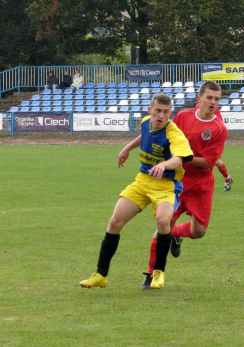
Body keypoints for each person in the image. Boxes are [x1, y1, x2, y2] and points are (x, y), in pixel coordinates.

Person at [79, 93, 193, 290]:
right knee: (115, 222)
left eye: (166, 112)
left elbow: (180, 159)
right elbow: (144, 135)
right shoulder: (146, 121)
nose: (161, 115)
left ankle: (158, 272)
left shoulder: (173, 132)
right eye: (158, 111)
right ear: (150, 110)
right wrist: (127, 148)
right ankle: (100, 275)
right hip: (142, 181)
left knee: (163, 221)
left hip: (166, 185)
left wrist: (164, 165)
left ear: (170, 114)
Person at [142, 81, 228, 289]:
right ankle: (151, 273)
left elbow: (208, 162)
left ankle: (177, 236)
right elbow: (165, 138)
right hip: (176, 181)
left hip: (201, 183)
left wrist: (182, 157)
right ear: (199, 99)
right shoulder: (183, 116)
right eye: (209, 97)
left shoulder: (219, 128)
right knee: (164, 225)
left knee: (199, 232)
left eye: (217, 99)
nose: (213, 102)